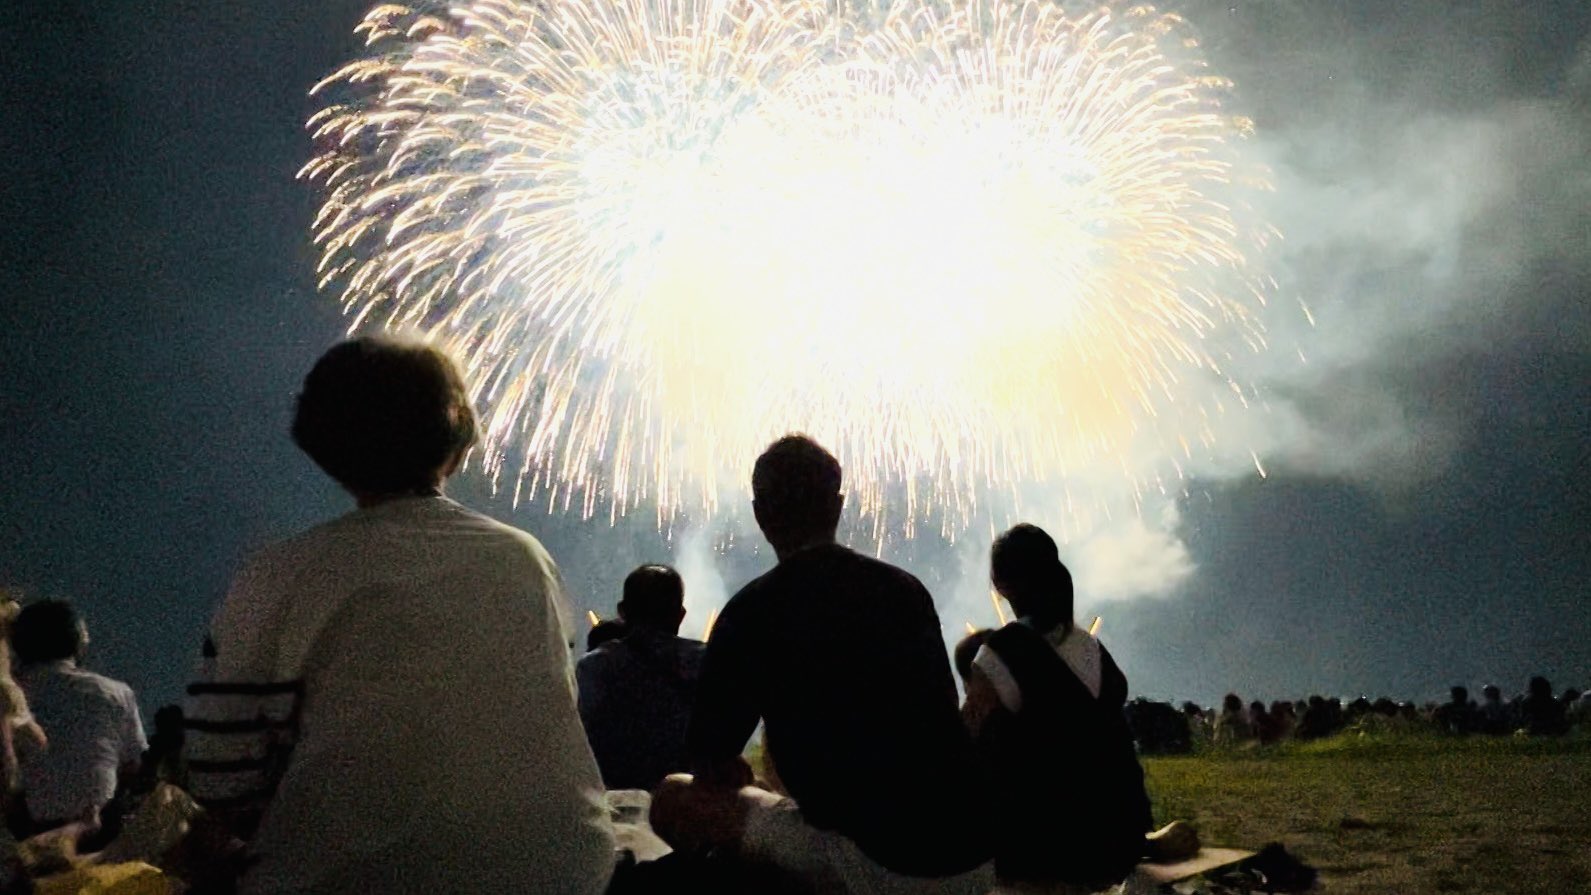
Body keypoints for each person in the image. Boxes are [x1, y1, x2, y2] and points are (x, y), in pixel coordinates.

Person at [189, 338, 614, 894]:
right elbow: (548, 707)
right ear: (459, 439)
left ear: (323, 443)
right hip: (563, 870)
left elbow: (219, 772)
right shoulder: (525, 557)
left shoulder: (280, 573)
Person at [660, 435, 993, 894]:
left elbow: (708, 757)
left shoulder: (753, 611)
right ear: (837, 506)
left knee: (672, 797)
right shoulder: (905, 590)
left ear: (761, 514)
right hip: (973, 854)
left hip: (875, 861)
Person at [960, 523, 1152, 889]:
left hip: (1040, 848)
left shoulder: (999, 653)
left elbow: (967, 743)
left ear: (1000, 585)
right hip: (1113, 836)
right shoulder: (1092, 647)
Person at [9, 600, 145, 846]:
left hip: (20, 831)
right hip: (98, 830)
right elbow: (132, 766)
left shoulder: (12, 693)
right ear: (77, 641)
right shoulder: (114, 692)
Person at [577, 564, 706, 791]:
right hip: (687, 802)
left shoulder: (594, 667)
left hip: (611, 800)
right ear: (680, 614)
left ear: (622, 611)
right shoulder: (706, 663)